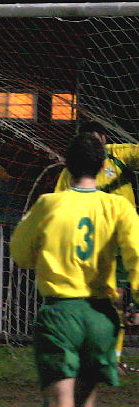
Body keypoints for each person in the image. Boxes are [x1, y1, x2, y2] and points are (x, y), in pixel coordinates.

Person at [10, 132, 139, 407]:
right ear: (104, 166)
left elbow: (20, 253)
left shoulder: (49, 204)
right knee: (86, 404)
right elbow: (136, 258)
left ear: (66, 166)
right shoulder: (120, 209)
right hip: (102, 315)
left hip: (62, 313)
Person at [55, 120, 139, 374]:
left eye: (94, 140)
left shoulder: (119, 154)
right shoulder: (72, 171)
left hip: (123, 238)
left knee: (118, 301)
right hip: (94, 243)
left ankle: (111, 358)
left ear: (103, 138)